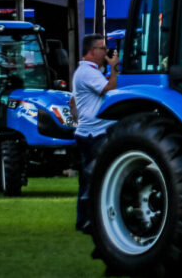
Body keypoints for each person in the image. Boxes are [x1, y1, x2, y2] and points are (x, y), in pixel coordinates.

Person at [72, 34, 118, 233]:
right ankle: (87, 221)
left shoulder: (85, 72)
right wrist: (114, 68)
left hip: (87, 131)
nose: (106, 52)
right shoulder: (88, 72)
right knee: (93, 179)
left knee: (88, 178)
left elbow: (73, 101)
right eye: (102, 48)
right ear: (92, 51)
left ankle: (84, 220)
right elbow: (109, 89)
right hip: (94, 133)